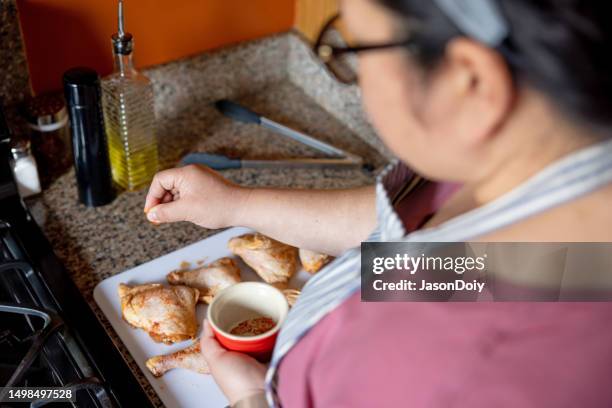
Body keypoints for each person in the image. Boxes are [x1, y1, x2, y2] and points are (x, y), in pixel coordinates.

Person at [144, 0, 612, 406]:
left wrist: (253, 398)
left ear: (471, 83)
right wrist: (237, 205)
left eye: (357, 50)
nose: (359, 83)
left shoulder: (459, 374)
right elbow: (426, 252)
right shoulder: (536, 171)